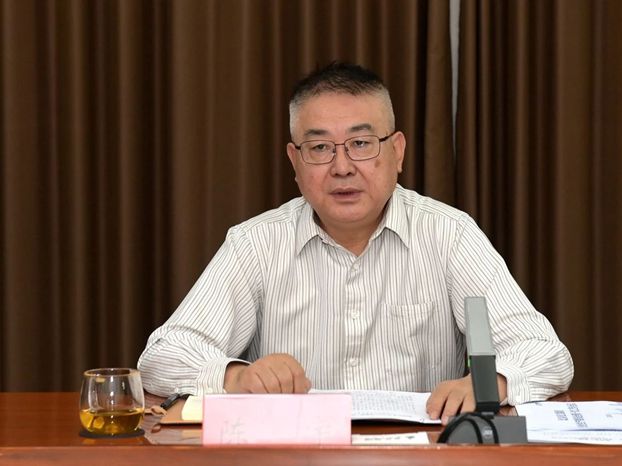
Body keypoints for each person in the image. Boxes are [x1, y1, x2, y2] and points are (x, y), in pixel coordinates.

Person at [138, 62, 573, 424]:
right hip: (294, 456)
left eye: (362, 144)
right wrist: (237, 377)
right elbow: (162, 357)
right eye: (320, 147)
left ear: (397, 152)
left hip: (416, 457)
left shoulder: (450, 235)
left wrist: (488, 383)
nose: (342, 167)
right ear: (295, 161)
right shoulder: (256, 243)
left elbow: (545, 353)